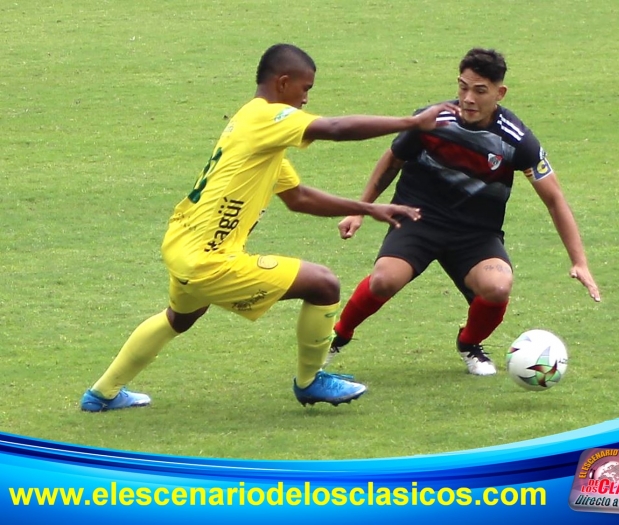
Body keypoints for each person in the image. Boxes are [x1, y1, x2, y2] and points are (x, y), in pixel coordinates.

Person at [80, 43, 458, 412]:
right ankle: (310, 381)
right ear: (282, 82)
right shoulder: (266, 118)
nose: (306, 99)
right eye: (305, 88)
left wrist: (366, 208)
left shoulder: (257, 131)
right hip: (208, 259)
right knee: (323, 284)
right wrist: (411, 122)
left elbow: (299, 198)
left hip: (183, 244)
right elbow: (335, 128)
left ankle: (102, 393)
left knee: (180, 317)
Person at [327, 47, 600, 376]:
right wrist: (360, 210)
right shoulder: (431, 121)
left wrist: (579, 261)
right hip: (418, 220)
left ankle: (469, 344)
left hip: (475, 233)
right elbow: (392, 160)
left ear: (499, 93)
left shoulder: (516, 139)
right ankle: (337, 336)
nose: (468, 98)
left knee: (498, 286)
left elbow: (554, 198)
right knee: (384, 280)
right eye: (463, 87)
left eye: (480, 90)